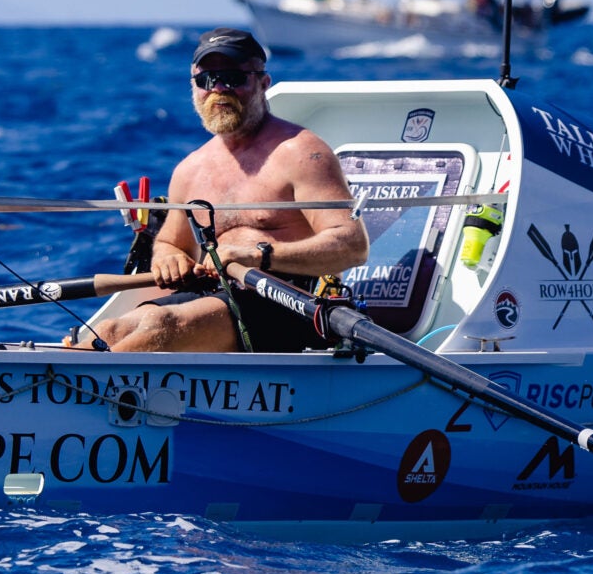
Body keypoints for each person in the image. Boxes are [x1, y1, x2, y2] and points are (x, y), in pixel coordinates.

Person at [67, 28, 368, 353]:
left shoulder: (301, 153)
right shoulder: (189, 170)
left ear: (263, 84)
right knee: (108, 329)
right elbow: (171, 241)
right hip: (211, 298)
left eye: (233, 77)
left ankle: (77, 390)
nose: (219, 89)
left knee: (159, 326)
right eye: (207, 79)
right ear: (194, 88)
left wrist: (258, 256)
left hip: (288, 304)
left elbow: (351, 246)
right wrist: (169, 258)